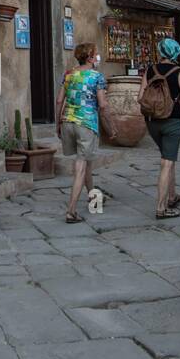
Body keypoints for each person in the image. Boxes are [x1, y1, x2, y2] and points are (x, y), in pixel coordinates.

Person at [139, 37, 180, 219]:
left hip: (152, 121)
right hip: (173, 120)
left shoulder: (149, 70)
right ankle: (161, 207)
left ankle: (172, 196)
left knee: (168, 156)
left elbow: (140, 97)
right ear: (175, 53)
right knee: (167, 162)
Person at [57, 42, 115, 224]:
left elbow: (59, 101)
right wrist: (111, 127)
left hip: (67, 121)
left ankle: (93, 196)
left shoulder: (69, 74)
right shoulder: (96, 77)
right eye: (96, 54)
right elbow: (103, 104)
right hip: (86, 123)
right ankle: (71, 211)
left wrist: (57, 123)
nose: (97, 57)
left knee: (86, 161)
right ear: (90, 57)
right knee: (81, 166)